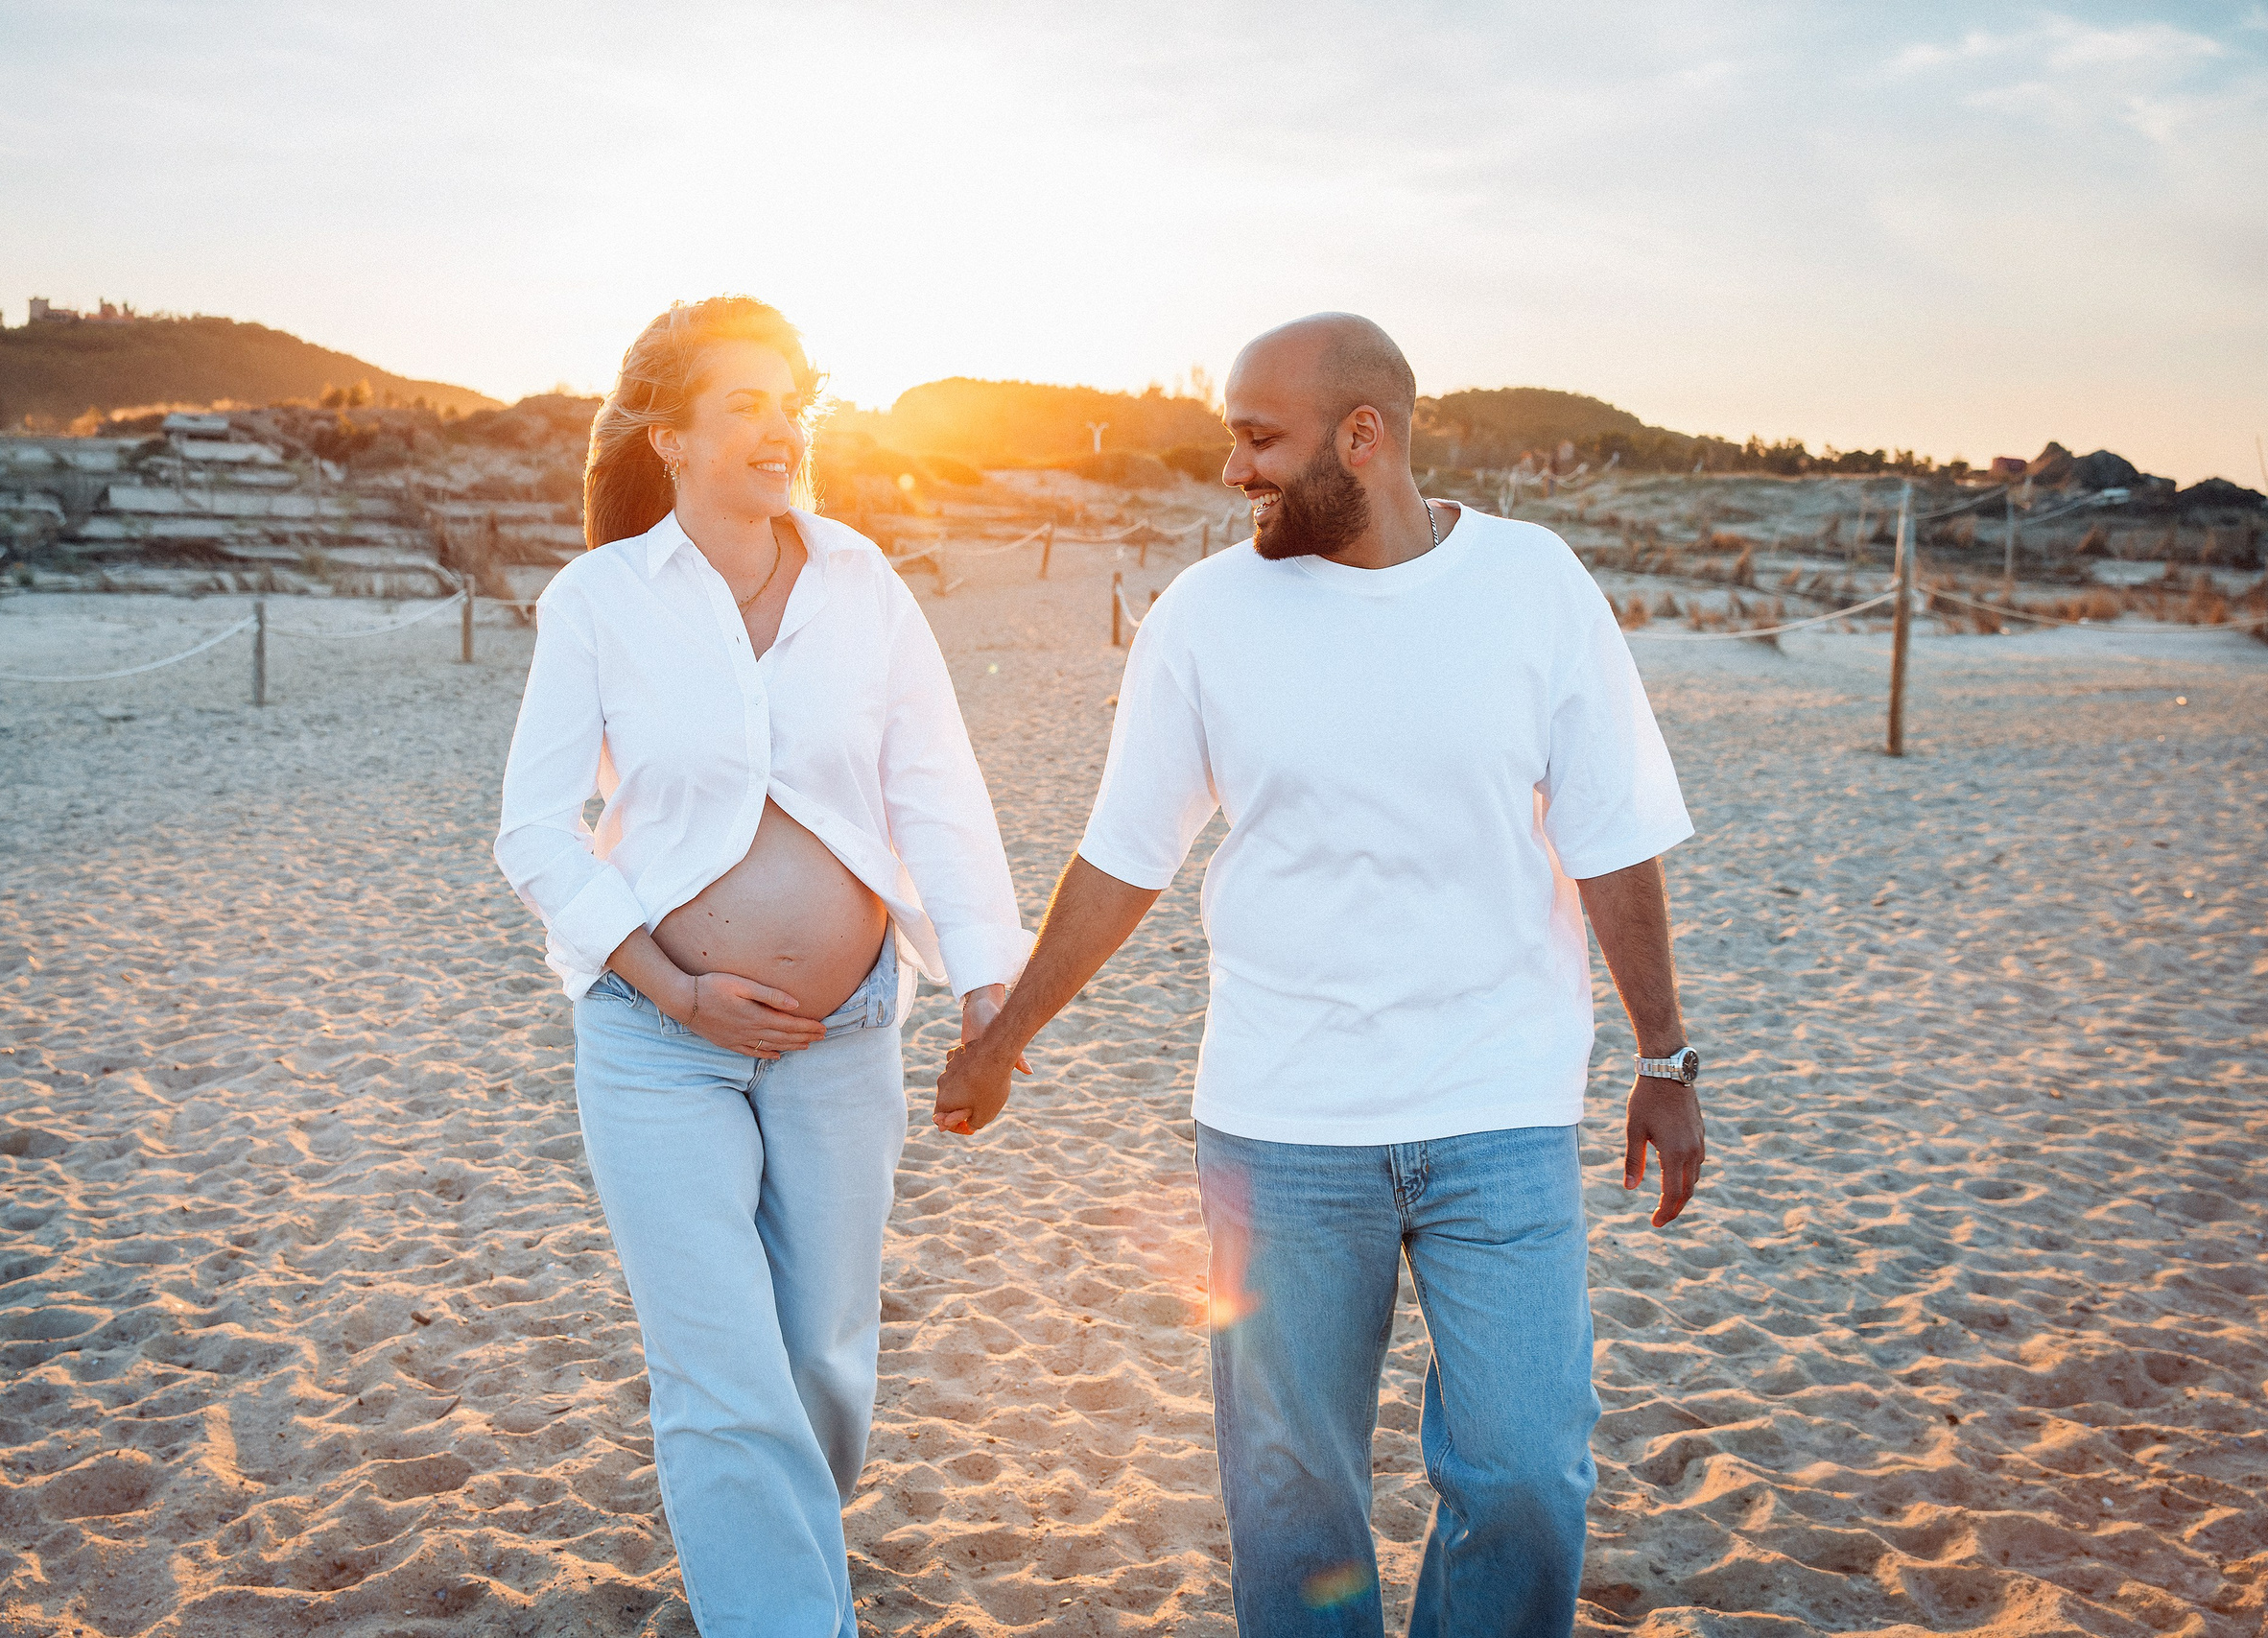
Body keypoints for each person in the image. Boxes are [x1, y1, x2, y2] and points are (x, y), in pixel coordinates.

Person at [934, 314, 1709, 1637]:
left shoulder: (1534, 584)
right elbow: (1125, 857)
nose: (1231, 468)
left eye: (1257, 438)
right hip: (1281, 1124)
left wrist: (1662, 1057)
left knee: (1527, 1475)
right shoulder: (1205, 615)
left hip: (1499, 1109)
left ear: (1367, 436)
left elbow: (1613, 837)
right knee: (1292, 1499)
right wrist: (1007, 1034)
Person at [495, 297, 1030, 1635]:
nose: (780, 424)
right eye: (744, 401)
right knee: (724, 1376)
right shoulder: (601, 599)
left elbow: (939, 794)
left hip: (843, 1037)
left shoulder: (865, 586)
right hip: (656, 1040)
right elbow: (531, 830)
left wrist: (987, 988)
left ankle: (779, 1553)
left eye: (794, 397)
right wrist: (672, 986)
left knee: (823, 1364)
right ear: (669, 436)